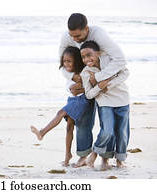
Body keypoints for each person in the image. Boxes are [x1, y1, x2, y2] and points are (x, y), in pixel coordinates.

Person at [58, 13, 127, 167]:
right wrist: (72, 79)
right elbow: (62, 64)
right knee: (83, 121)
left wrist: (98, 78)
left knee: (108, 124)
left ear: (87, 29)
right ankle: (83, 155)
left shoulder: (99, 35)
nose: (74, 39)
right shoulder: (66, 37)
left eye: (78, 36)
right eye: (72, 36)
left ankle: (106, 157)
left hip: (102, 83)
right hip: (82, 84)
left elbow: (120, 60)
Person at [31, 46, 90, 166]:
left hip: (80, 100)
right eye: (64, 61)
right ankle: (67, 156)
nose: (66, 64)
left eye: (69, 61)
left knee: (60, 113)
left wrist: (79, 88)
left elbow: (87, 87)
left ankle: (42, 132)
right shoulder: (68, 73)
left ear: (76, 61)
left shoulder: (81, 74)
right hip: (72, 100)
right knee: (69, 128)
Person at [80, 41, 130, 170]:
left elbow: (125, 73)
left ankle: (120, 159)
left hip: (122, 99)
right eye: (83, 57)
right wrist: (99, 87)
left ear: (98, 53)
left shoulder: (110, 61)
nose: (86, 59)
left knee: (122, 132)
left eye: (89, 55)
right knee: (107, 131)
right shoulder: (86, 72)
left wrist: (108, 84)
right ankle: (97, 153)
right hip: (104, 101)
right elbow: (89, 94)